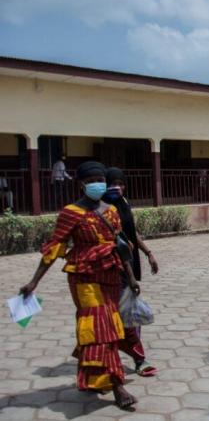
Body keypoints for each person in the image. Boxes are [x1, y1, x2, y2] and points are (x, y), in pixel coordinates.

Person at [19, 161, 140, 409]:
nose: (99, 184)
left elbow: (121, 245)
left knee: (107, 326)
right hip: (83, 276)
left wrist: (131, 277)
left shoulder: (111, 211)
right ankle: (117, 385)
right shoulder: (70, 212)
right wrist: (34, 281)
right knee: (99, 326)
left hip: (110, 276)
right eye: (93, 179)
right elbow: (55, 247)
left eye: (102, 179)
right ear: (82, 184)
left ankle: (91, 376)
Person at [103, 167, 160, 377]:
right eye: (112, 183)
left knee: (130, 312)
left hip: (129, 265)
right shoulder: (102, 208)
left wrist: (148, 252)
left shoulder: (124, 203)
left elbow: (131, 232)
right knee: (115, 314)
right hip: (112, 267)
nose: (117, 187)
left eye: (121, 183)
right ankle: (132, 358)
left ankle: (136, 357)